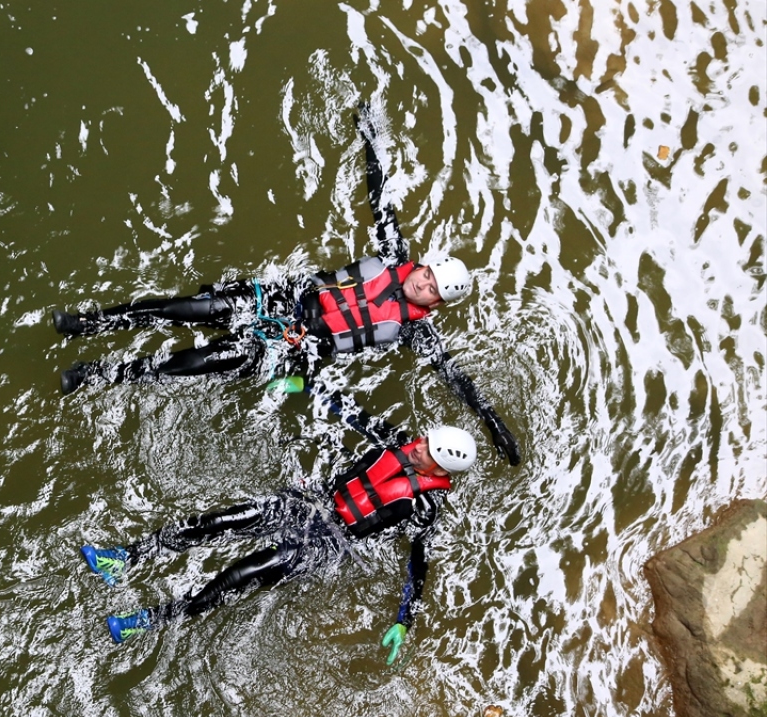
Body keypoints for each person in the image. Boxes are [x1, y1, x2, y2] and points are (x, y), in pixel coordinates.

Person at [53, 103, 519, 465]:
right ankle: (84, 324)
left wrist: (492, 422)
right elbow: (381, 200)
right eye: (427, 274)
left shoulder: (417, 332)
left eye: (432, 288)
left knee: (183, 365)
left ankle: (93, 375)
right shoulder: (395, 255)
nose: (422, 284)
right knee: (178, 309)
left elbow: (458, 380)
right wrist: (370, 137)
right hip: (279, 300)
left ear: (437, 303)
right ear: (422, 265)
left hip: (291, 350)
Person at [79, 397, 476, 665]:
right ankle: (125, 557)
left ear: (440, 471)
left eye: (427, 452)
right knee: (219, 522)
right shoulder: (398, 443)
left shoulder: (424, 506)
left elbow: (417, 566)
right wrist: (305, 384)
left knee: (240, 575)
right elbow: (351, 411)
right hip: (311, 503)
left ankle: (147, 619)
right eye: (424, 441)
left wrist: (403, 621)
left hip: (329, 543)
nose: (418, 448)